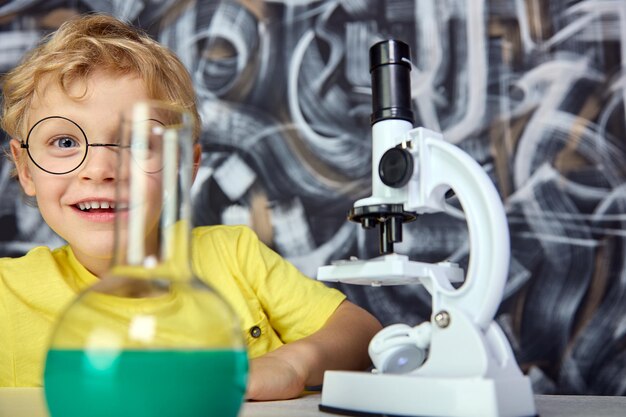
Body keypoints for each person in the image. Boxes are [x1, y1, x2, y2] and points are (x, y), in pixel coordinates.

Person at [0, 13, 382, 400]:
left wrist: (290, 365)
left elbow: (362, 330)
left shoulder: (234, 255)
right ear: (25, 169)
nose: (99, 171)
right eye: (65, 142)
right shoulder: (6, 292)